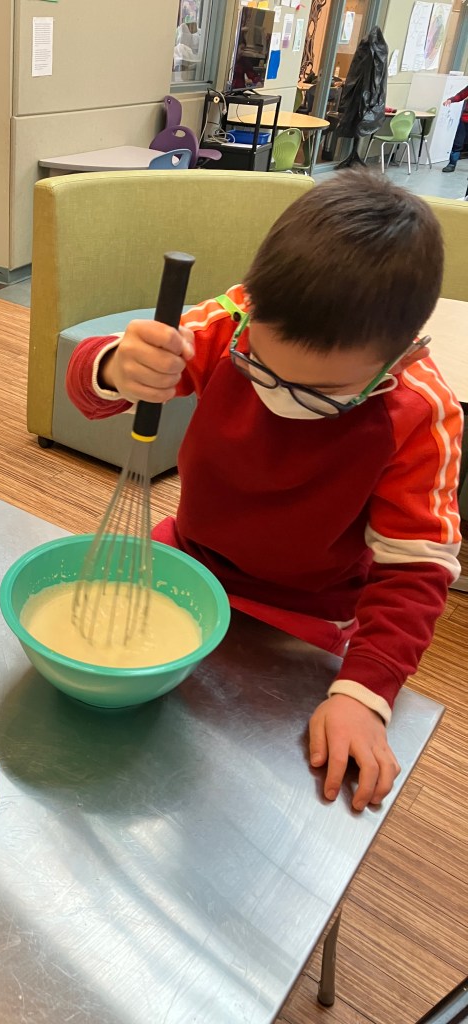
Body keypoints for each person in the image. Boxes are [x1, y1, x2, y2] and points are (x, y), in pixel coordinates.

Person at [66, 172, 462, 812]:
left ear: (401, 355)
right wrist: (115, 365)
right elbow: (90, 386)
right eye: (261, 369)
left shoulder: (421, 413)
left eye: (320, 395)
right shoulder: (230, 325)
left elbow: (416, 571)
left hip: (307, 615)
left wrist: (364, 693)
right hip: (187, 559)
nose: (281, 398)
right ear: (252, 304)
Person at [441, 84, 468, 172]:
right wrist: (451, 100)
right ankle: (452, 164)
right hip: (465, 120)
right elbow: (461, 95)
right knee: (457, 143)